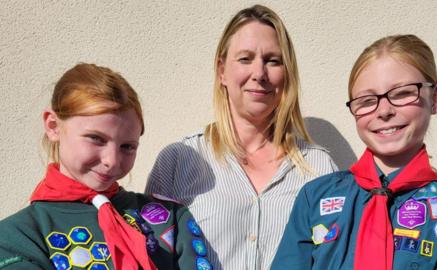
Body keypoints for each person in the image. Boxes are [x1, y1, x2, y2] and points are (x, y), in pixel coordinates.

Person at [145, 5, 337, 270]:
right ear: (222, 71)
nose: (259, 73)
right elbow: (152, 257)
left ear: (287, 73)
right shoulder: (178, 161)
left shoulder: (319, 169)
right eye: (245, 59)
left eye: (272, 60)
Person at [271, 34, 437, 269]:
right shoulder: (315, 198)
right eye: (367, 100)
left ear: (435, 98)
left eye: (402, 93)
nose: (384, 111)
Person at [0, 63, 211, 270]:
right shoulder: (19, 236)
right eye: (96, 138)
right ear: (53, 126)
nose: (112, 160)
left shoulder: (170, 218)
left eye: (127, 146)